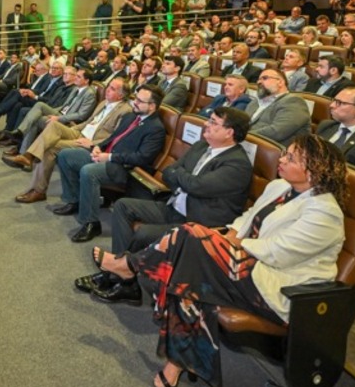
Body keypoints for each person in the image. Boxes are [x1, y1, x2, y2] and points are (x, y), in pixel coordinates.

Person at [86, 134, 348, 387]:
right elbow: (247, 217)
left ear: (314, 171)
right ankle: (177, 363)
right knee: (189, 271)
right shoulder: (279, 187)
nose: (282, 159)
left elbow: (279, 253)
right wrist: (231, 234)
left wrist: (231, 243)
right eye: (285, 153)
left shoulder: (325, 212)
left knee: (189, 235)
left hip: (276, 285)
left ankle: (129, 266)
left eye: (290, 157)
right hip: (243, 264)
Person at [77, 107, 254, 299]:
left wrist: (182, 177)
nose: (206, 124)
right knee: (123, 205)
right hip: (174, 206)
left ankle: (117, 275)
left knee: (144, 233)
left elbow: (196, 186)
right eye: (208, 120)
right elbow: (169, 172)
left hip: (196, 222)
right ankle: (122, 277)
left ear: (230, 132)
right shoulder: (201, 146)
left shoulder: (237, 164)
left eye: (213, 122)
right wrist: (182, 178)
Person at [54, 85, 167, 243]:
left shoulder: (156, 128)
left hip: (125, 170)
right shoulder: (130, 116)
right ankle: (74, 200)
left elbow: (141, 158)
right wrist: (97, 147)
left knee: (89, 171)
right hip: (106, 157)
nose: (134, 102)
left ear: (152, 106)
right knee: (66, 155)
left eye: (140, 101)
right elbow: (113, 138)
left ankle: (91, 222)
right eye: (136, 98)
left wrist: (110, 157)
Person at [11, 77, 134, 202]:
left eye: (112, 89)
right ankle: (28, 157)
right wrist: (74, 129)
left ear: (120, 95)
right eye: (108, 86)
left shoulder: (125, 111)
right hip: (80, 133)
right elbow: (88, 122)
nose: (107, 90)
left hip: (90, 142)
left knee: (50, 147)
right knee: (53, 125)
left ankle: (37, 189)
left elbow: (115, 137)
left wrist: (92, 143)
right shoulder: (103, 103)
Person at [245, 69, 311, 145]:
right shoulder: (255, 102)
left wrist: (242, 135)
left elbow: (277, 131)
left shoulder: (293, 101)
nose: (259, 82)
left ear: (280, 82)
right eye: (259, 79)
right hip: (248, 145)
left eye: (265, 78)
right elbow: (242, 124)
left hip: (278, 152)